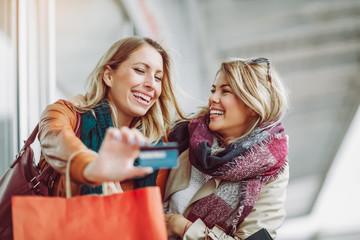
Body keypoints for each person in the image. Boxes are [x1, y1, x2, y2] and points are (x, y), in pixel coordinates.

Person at [38, 36, 185, 196]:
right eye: (140, 70)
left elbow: (156, 210)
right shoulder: (67, 114)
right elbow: (56, 139)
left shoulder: (158, 146)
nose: (151, 84)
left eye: (158, 78)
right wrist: (94, 168)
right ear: (108, 76)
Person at [163, 57, 289, 239]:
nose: (213, 98)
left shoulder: (273, 172)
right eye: (214, 90)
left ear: (252, 105)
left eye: (225, 91)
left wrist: (182, 227)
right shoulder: (184, 133)